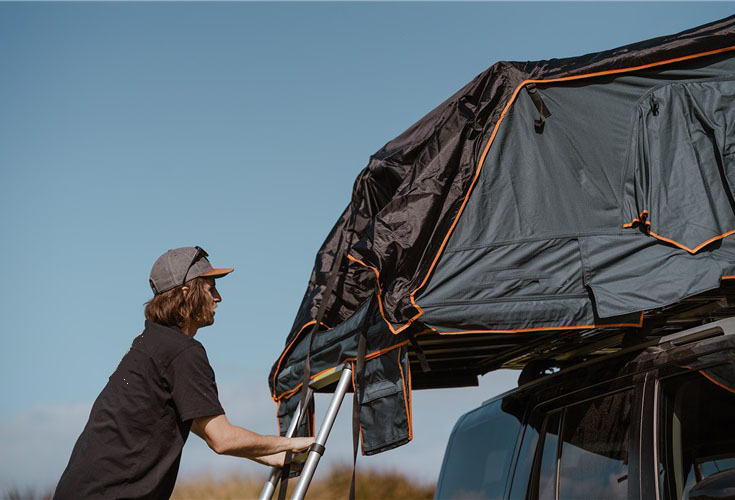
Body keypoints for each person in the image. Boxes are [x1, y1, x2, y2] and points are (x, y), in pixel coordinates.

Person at [54, 246, 313, 499]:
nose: (218, 298)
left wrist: (268, 456)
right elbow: (221, 439)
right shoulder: (182, 351)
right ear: (187, 293)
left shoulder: (150, 343)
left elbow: (201, 424)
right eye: (211, 289)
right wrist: (291, 443)